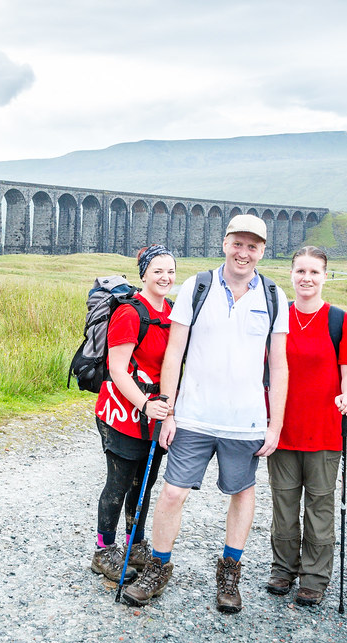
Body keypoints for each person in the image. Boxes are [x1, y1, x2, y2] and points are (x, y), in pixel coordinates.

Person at [122, 214, 289, 614]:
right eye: (238, 243)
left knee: (242, 493)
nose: (244, 252)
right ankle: (158, 569)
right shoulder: (197, 286)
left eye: (253, 246)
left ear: (262, 250)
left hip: (245, 419)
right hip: (193, 415)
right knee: (173, 492)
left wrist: (275, 423)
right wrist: (168, 411)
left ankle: (230, 573)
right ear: (225, 243)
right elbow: (174, 352)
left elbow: (279, 364)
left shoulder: (272, 294)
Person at [266, 246, 347, 607]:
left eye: (314, 272)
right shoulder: (277, 318)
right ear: (291, 274)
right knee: (284, 506)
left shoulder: (340, 320)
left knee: (320, 507)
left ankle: (314, 577)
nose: (306, 278)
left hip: (324, 431)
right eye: (300, 271)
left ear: (325, 276)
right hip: (282, 429)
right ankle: (283, 569)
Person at [91, 245, 176, 583]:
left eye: (170, 271)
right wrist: (144, 404)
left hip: (154, 414)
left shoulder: (172, 312)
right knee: (119, 482)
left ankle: (134, 543)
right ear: (143, 274)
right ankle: (103, 549)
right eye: (157, 271)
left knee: (145, 482)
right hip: (122, 412)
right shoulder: (129, 313)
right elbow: (118, 369)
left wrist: (164, 409)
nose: (165, 277)